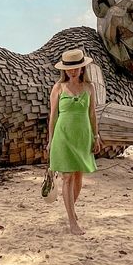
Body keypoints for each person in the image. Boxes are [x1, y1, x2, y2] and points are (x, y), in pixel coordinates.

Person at [47, 48, 101, 235]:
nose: (73, 71)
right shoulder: (58, 88)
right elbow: (53, 116)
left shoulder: (89, 87)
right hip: (63, 136)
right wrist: (50, 141)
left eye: (76, 68)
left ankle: (71, 210)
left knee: (78, 177)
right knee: (67, 177)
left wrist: (96, 136)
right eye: (69, 68)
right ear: (64, 69)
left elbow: (92, 114)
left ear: (82, 68)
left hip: (83, 136)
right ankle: (72, 221)